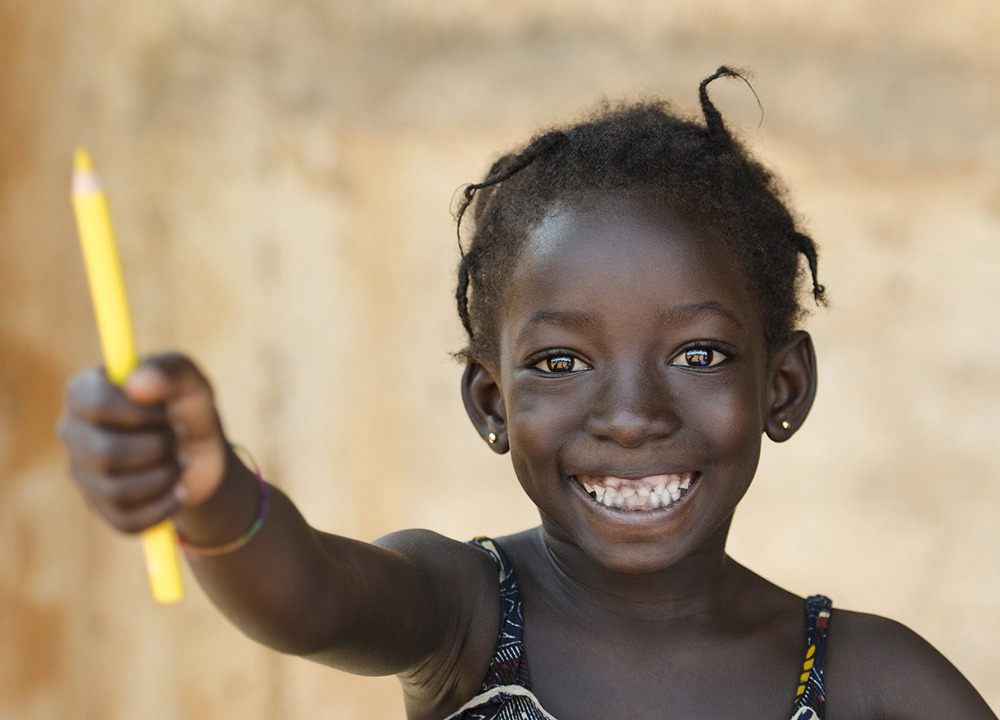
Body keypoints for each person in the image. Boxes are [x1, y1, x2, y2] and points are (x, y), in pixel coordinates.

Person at [58, 68, 997, 720]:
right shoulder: (463, 613)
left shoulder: (870, 681)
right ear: (490, 403)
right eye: (559, 363)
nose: (632, 416)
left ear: (782, 387)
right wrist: (215, 496)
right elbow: (315, 598)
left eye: (700, 354)